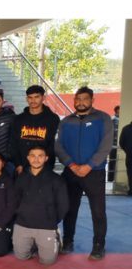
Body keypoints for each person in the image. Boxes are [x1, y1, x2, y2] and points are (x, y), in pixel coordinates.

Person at [55, 86, 113, 260]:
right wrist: (71, 164)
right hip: (71, 171)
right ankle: (68, 241)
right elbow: (59, 146)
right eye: (77, 99)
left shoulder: (103, 118)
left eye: (84, 99)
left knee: (98, 212)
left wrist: (89, 165)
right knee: (69, 209)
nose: (80, 102)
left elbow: (106, 146)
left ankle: (98, 246)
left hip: (94, 172)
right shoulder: (66, 121)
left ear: (92, 100)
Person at [12, 146, 69, 265]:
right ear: (28, 158)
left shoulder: (56, 179)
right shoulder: (20, 178)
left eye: (40, 156)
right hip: (24, 224)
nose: (36, 159)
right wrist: (21, 214)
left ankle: (55, 237)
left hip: (46, 226)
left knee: (48, 261)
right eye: (33, 156)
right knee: (21, 256)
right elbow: (14, 201)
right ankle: (34, 244)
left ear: (46, 158)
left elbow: (63, 205)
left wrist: (51, 220)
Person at [11, 85, 60, 174]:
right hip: (23, 167)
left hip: (45, 167)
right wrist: (18, 164)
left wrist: (47, 166)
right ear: (27, 99)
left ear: (43, 97)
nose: (33, 100)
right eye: (30, 97)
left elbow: (52, 144)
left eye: (36, 97)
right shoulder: (18, 119)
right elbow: (13, 143)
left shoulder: (53, 119)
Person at [120, 119, 132, 195]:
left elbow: (121, 143)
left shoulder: (126, 128)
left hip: (130, 156)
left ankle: (131, 190)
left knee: (130, 173)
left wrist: (128, 151)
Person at [108, 105, 120, 182]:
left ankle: (115, 179)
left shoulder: (123, 119)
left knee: (118, 163)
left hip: (120, 145)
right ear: (116, 111)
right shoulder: (112, 120)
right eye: (119, 111)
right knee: (112, 162)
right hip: (113, 145)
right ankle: (110, 179)